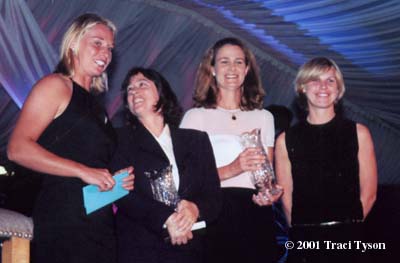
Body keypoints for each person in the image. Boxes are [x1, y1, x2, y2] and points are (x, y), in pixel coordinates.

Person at [7, 13, 134, 263]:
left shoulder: (97, 107)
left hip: (98, 217)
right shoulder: (56, 86)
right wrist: (83, 171)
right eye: (97, 42)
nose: (105, 53)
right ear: (74, 43)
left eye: (109, 48)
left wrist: (116, 180)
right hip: (64, 216)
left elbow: (86, 156)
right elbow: (17, 148)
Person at [180, 37, 281, 263]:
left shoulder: (264, 118)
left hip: (254, 215)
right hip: (213, 210)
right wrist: (233, 168)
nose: (232, 68)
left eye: (238, 62)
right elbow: (187, 180)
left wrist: (269, 194)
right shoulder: (196, 117)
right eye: (224, 61)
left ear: (246, 70)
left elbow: (266, 179)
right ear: (212, 69)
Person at [111, 67, 221, 263]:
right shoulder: (118, 140)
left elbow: (213, 196)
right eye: (129, 89)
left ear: (162, 92)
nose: (134, 92)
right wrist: (166, 218)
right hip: (139, 248)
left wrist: (195, 209)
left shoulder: (196, 141)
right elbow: (123, 194)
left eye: (142, 85)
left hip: (190, 248)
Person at [275, 57, 378, 263]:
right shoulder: (285, 140)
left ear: (338, 89)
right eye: (315, 80)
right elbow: (287, 198)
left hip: (348, 241)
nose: (323, 86)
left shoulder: (359, 133)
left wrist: (347, 232)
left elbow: (369, 194)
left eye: (330, 80)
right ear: (303, 88)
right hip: (304, 243)